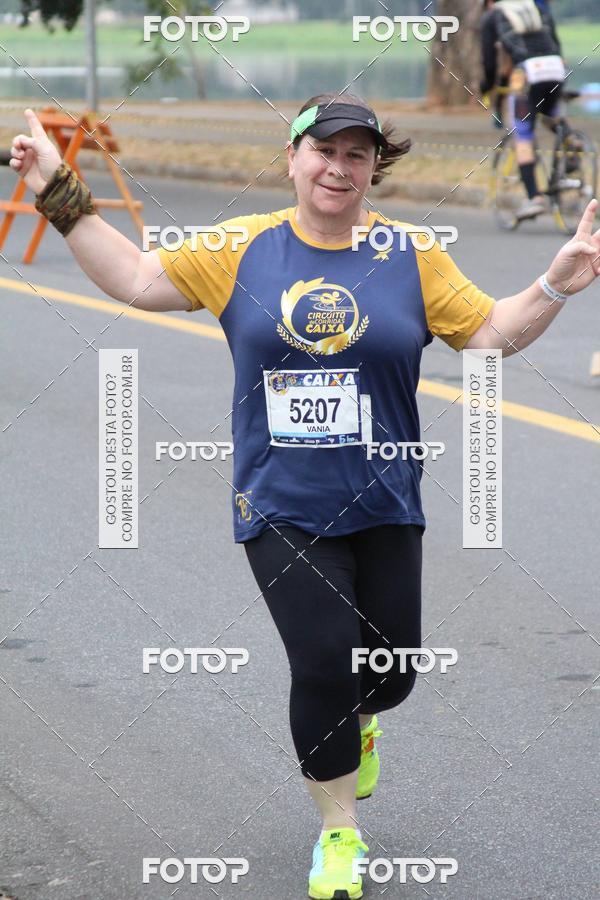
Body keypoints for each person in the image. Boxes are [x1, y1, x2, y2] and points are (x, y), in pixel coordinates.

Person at [9, 94, 600, 900]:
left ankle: (365, 720)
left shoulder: (410, 253)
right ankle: (338, 833)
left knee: (390, 673)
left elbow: (489, 334)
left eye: (357, 155)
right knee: (323, 661)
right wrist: (57, 190)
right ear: (292, 158)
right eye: (324, 150)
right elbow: (138, 279)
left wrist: (555, 285)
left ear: (373, 170)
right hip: (279, 502)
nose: (338, 168)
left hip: (384, 497)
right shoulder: (241, 246)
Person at [480, 0, 580, 221]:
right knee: (549, 114)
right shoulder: (534, 5)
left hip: (527, 72)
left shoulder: (493, 15)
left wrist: (486, 86)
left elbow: (489, 61)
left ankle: (534, 198)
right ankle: (571, 140)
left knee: (523, 134)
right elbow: (553, 38)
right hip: (555, 67)